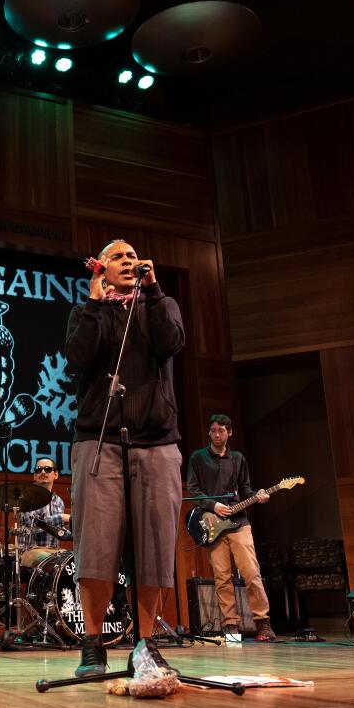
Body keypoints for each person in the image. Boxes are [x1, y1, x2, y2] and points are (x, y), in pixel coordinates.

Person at [64, 239, 185, 677]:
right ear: (100, 269)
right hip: (99, 442)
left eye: (134, 257)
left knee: (154, 548)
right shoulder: (85, 313)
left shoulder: (160, 305)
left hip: (157, 444)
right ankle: (92, 645)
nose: (130, 262)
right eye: (119, 257)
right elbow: (78, 358)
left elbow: (172, 342)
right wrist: (96, 303)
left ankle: (147, 644)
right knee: (95, 546)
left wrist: (153, 292)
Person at [186, 414, 277, 642]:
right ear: (209, 433)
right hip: (213, 526)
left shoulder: (238, 459)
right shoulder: (198, 458)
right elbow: (194, 491)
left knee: (251, 573)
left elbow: (245, 490)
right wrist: (213, 505)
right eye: (214, 430)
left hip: (239, 523)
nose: (217, 434)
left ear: (230, 433)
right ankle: (230, 626)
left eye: (222, 431)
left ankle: (263, 623)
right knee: (222, 577)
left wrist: (258, 496)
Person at [16, 457, 71, 568]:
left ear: (55, 475)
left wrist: (74, 533)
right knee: (51, 562)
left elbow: (58, 531)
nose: (42, 472)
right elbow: (33, 525)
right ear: (35, 476)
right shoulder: (27, 497)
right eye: (38, 469)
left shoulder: (59, 501)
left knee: (75, 560)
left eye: (47, 469)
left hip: (55, 551)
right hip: (32, 551)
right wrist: (60, 517)